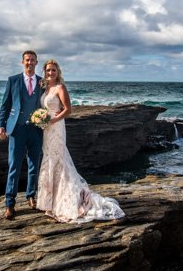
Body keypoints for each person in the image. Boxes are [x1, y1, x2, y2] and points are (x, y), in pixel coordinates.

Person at [35, 59, 124, 223]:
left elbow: (68, 109)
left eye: (53, 70)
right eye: (48, 70)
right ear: (45, 71)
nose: (50, 73)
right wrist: (41, 119)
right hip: (46, 129)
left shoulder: (60, 87)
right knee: (49, 160)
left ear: (58, 72)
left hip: (56, 127)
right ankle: (49, 202)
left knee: (59, 159)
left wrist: (53, 120)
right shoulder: (44, 87)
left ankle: (63, 201)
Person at [0, 50, 44, 220]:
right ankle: (10, 203)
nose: (29, 63)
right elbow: (5, 105)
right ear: (22, 62)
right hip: (17, 128)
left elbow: (45, 104)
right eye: (27, 60)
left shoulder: (41, 82)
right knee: (14, 166)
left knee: (33, 164)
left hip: (36, 129)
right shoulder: (13, 80)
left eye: (32, 60)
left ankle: (31, 196)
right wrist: (1, 125)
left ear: (37, 63)